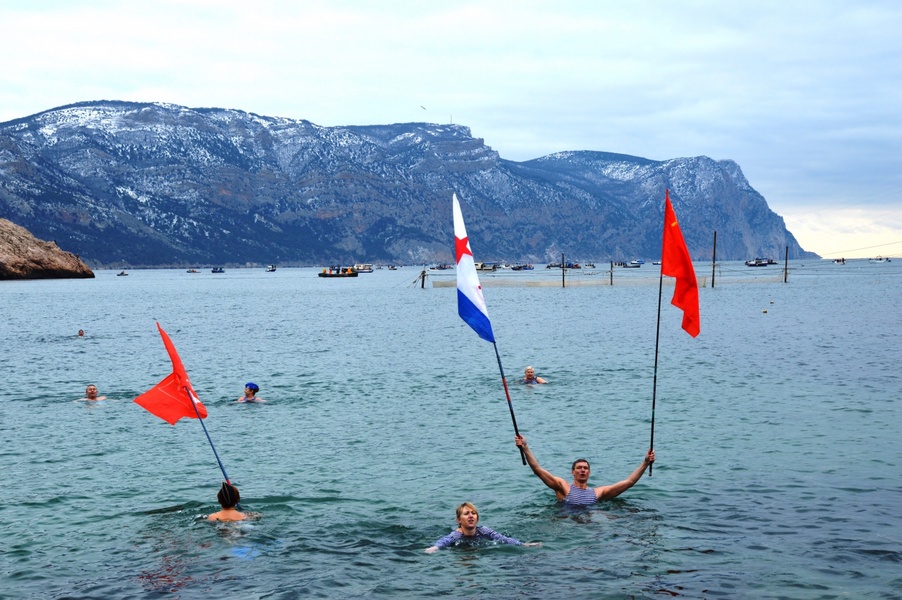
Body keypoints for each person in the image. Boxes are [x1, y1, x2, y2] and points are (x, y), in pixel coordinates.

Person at [515, 435, 654, 505]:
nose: (582, 470)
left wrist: (645, 462)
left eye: (585, 468)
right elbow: (537, 469)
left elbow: (629, 482)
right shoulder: (563, 486)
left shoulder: (598, 492)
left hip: (590, 523)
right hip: (568, 520)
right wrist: (525, 447)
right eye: (579, 468)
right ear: (573, 472)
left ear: (589, 472)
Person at [424, 502, 541, 553]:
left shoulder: (484, 530)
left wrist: (523, 544)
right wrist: (435, 548)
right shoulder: (456, 535)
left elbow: (503, 539)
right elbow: (445, 541)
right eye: (466, 514)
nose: (471, 516)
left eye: (473, 513)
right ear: (458, 520)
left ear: (477, 518)